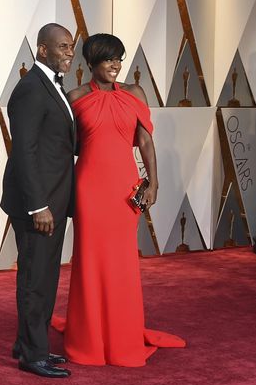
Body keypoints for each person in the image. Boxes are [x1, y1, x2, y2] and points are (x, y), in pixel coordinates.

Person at [52, 33, 185, 367]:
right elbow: (69, 147)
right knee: (89, 260)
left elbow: (145, 142)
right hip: (89, 189)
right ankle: (88, 336)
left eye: (118, 59)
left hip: (124, 188)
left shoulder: (134, 93)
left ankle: (121, 334)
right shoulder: (75, 96)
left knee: (122, 261)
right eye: (108, 59)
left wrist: (153, 182)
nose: (114, 65)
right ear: (91, 62)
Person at [1, 23, 76, 378]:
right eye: (62, 46)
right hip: (39, 205)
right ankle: (33, 355)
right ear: (42, 50)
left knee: (44, 276)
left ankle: (28, 344)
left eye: (72, 46)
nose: (70, 53)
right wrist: (38, 206)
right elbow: (24, 153)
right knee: (36, 278)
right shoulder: (32, 88)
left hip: (53, 200)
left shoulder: (52, 86)